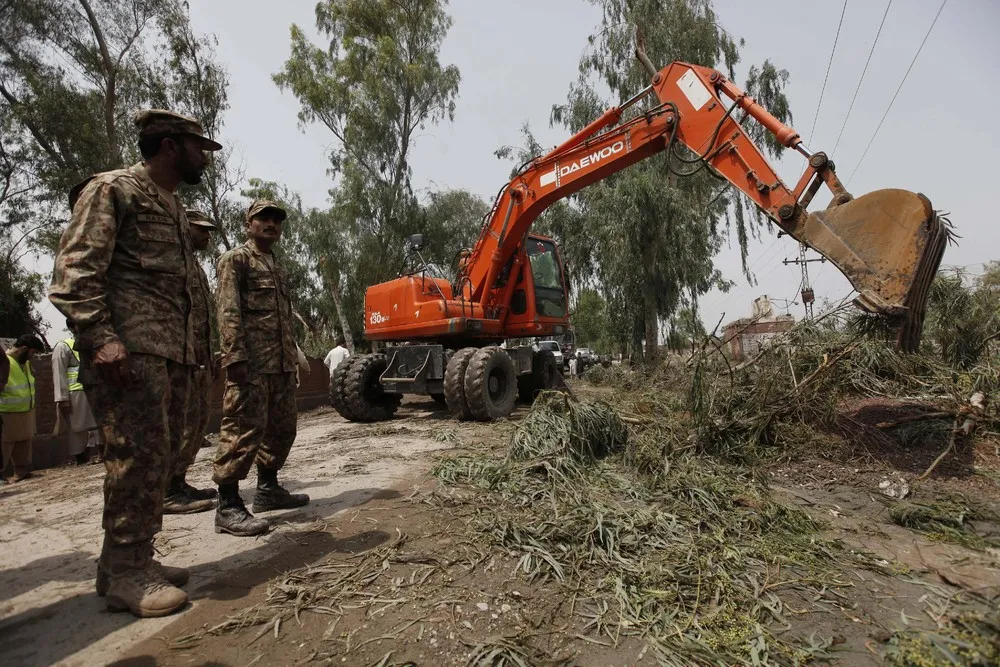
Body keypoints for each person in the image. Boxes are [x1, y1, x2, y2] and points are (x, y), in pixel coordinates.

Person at [49, 108, 222, 618]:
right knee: (137, 459)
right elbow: (75, 272)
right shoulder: (113, 189)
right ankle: (129, 571)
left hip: (169, 353)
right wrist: (101, 337)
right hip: (128, 351)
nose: (205, 158)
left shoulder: (173, 206)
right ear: (170, 146)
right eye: (199, 148)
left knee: (157, 459)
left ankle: (123, 561)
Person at [213, 199, 309, 537]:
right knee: (242, 431)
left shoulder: (278, 266)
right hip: (251, 364)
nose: (271, 224)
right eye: (263, 218)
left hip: (280, 364)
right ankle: (227, 506)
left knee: (283, 428)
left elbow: (282, 318)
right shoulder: (235, 259)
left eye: (276, 220)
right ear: (248, 224)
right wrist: (234, 357)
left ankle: (268, 490)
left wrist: (292, 357)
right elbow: (228, 310)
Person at [163, 210, 219, 514]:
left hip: (198, 358)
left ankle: (178, 480)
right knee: (179, 423)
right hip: (179, 358)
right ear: (185, 228)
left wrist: (210, 355)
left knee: (197, 423)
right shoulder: (170, 261)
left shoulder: (195, 266)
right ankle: (166, 490)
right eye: (202, 230)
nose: (207, 236)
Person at [51, 320, 103, 465]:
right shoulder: (64, 346)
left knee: (100, 424)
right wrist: (62, 399)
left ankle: (103, 454)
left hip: (97, 390)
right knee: (77, 427)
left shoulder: (96, 342)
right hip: (76, 393)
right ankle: (81, 457)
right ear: (71, 327)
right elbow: (59, 373)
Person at [1, 335, 44, 482]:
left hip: (25, 409)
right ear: (24, 349)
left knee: (24, 441)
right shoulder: (4, 361)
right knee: (5, 444)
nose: (32, 356)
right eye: (32, 352)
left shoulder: (24, 363)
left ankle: (22, 471)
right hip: (7, 410)